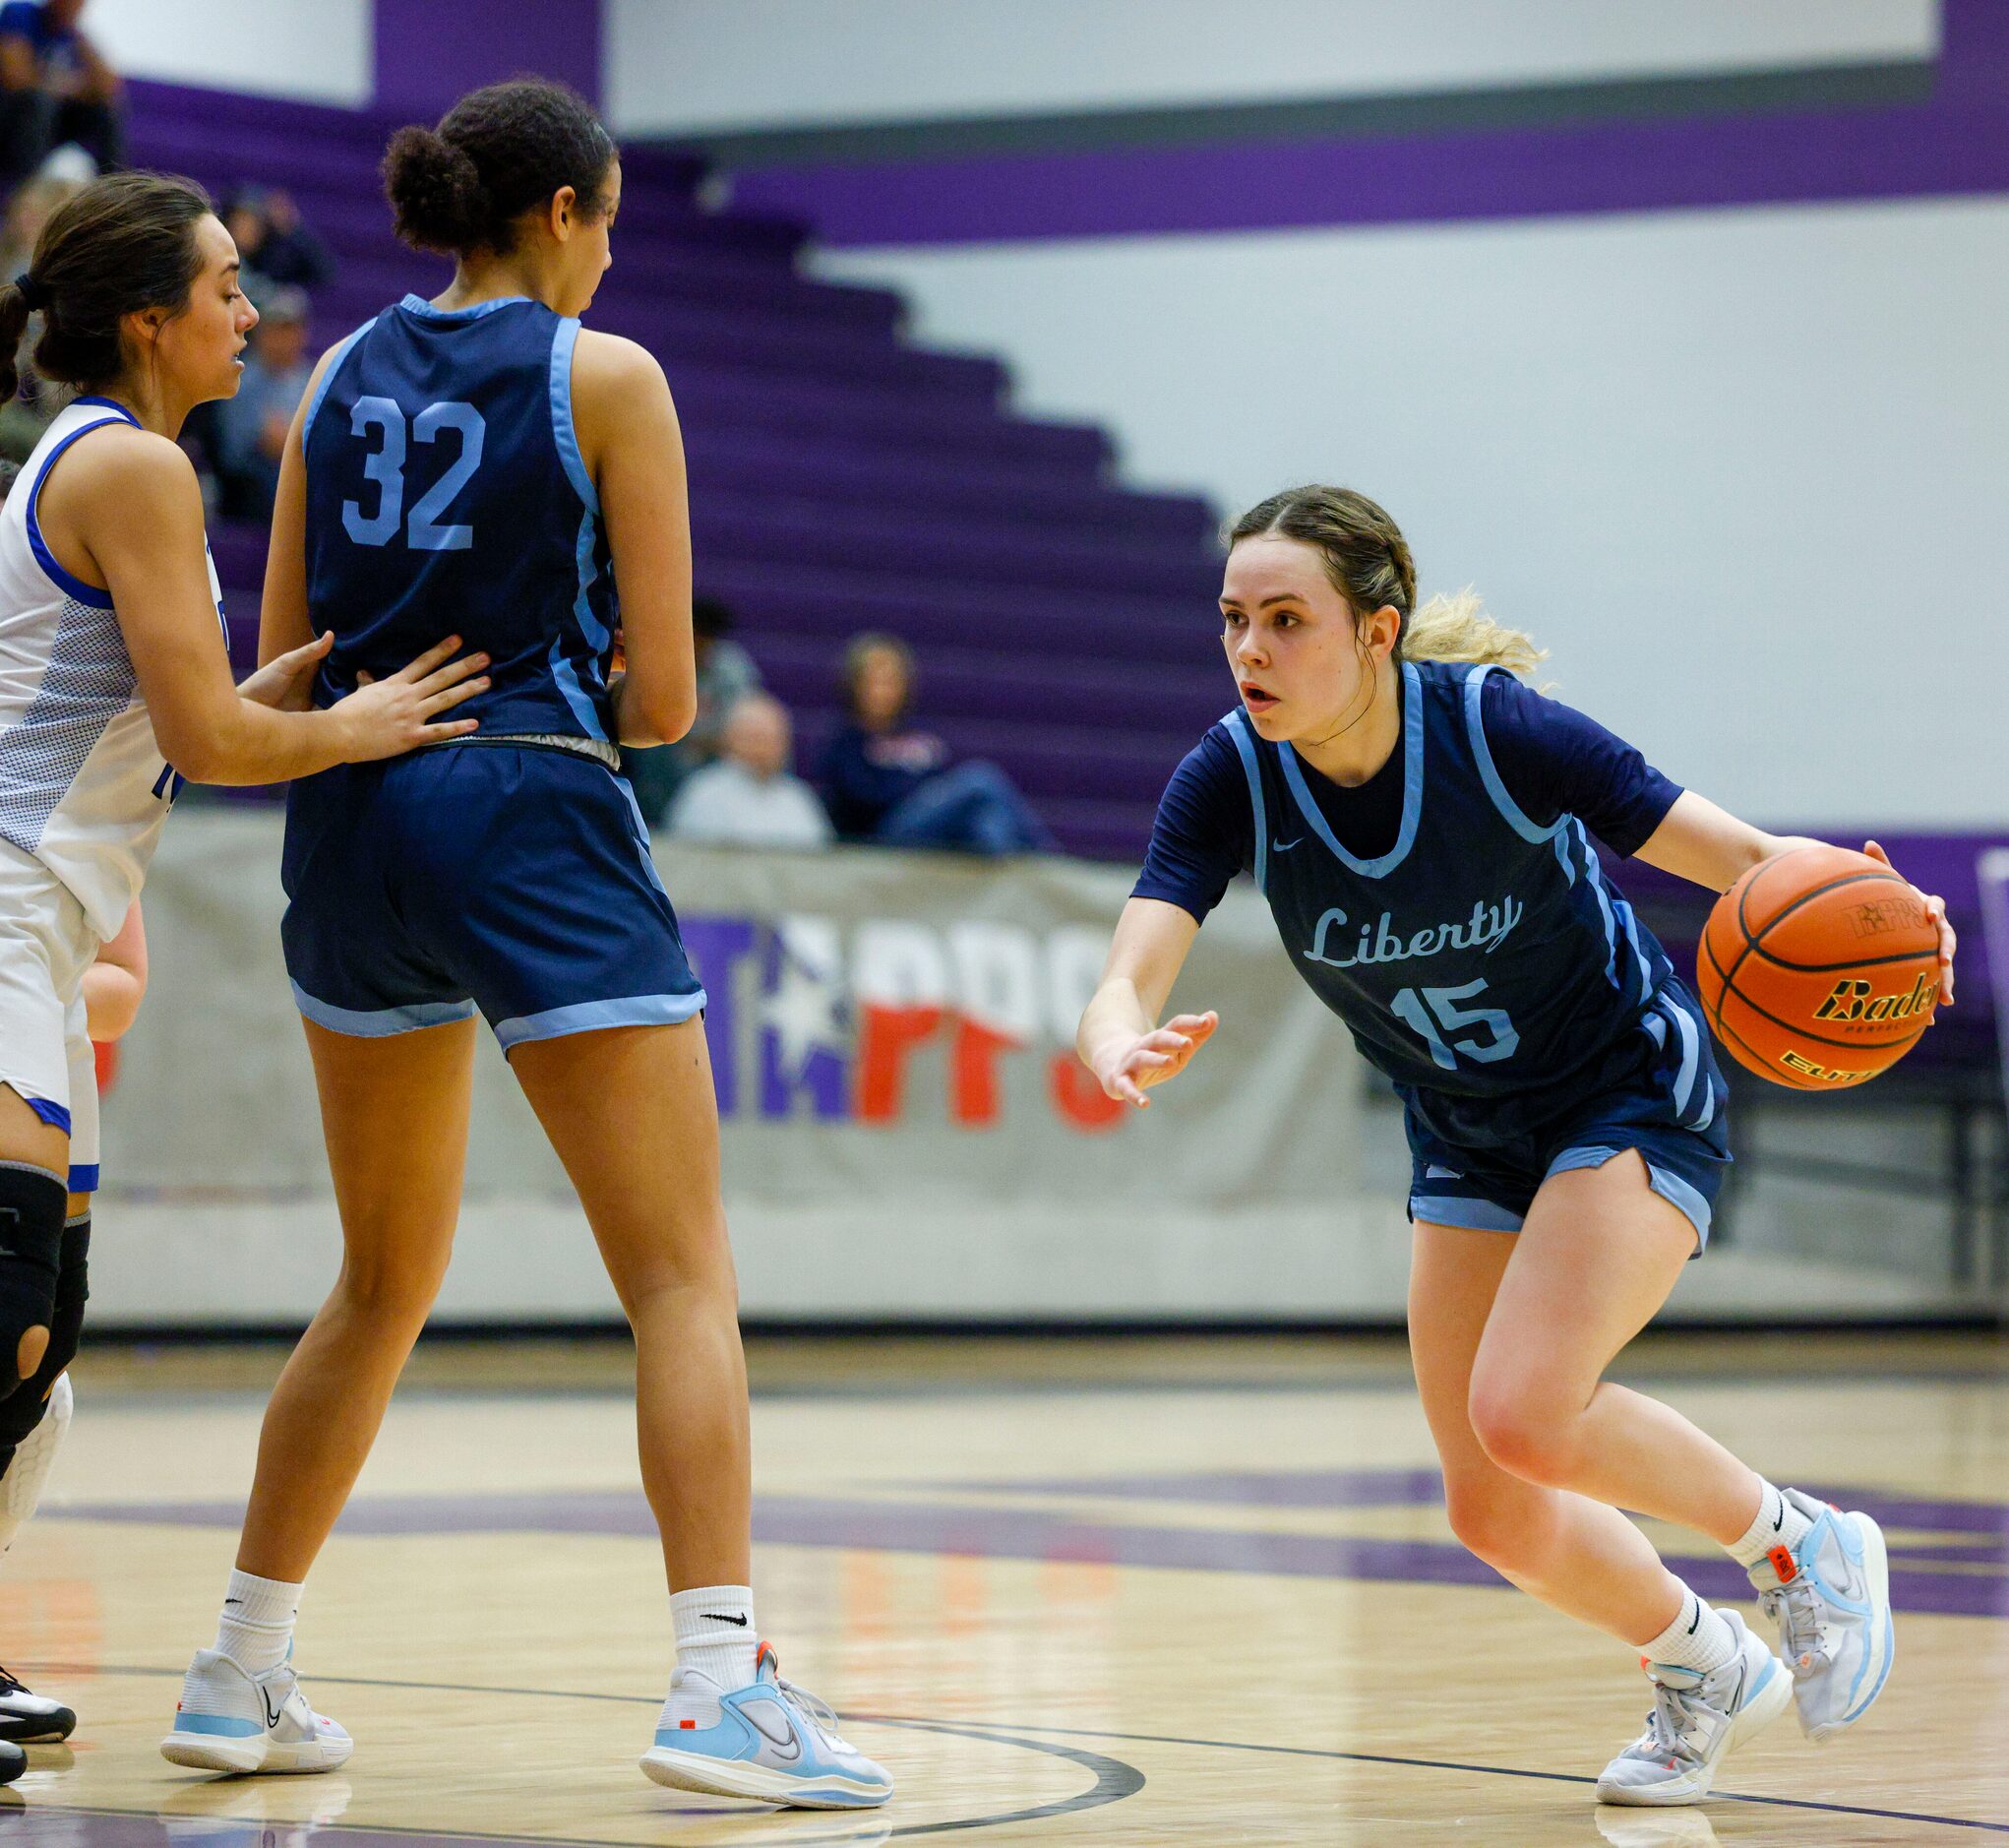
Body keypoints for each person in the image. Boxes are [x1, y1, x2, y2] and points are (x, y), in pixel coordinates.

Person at [157, 80, 891, 1811]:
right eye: (614, 220)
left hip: (350, 816)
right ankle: (719, 1681)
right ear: (563, 214)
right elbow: (668, 695)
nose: (615, 248)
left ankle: (235, 1666)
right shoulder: (606, 371)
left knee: (380, 1279)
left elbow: (286, 652)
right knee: (678, 1276)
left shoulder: (330, 373)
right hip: (530, 805)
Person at [1075, 485, 1957, 1809]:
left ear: (1377, 633)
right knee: (1487, 1504)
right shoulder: (1229, 775)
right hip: (1467, 1131)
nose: (1249, 649)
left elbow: (1741, 858)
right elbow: (1133, 959)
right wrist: (1108, 1036)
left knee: (1525, 1408)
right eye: (1231, 621)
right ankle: (1700, 1662)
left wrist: (1888, 914)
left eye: (1283, 619)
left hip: (1619, 1087)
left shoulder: (1492, 732)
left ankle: (1801, 1546)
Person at [0, 168, 489, 1768]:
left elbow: (167, 713)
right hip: (3, 913)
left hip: (44, 935)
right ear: (148, 320)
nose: (249, 309)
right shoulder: (131, 463)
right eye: (219, 285)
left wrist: (276, 688)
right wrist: (343, 726)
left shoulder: (117, 461)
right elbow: (210, 739)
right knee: (6, 1306)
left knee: (38, 1325)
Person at [819, 632, 1054, 855]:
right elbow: (864, 800)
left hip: (930, 836)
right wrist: (919, 790)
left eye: (891, 681)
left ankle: (1014, 882)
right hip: (883, 840)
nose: (883, 691)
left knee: (986, 823)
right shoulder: (845, 744)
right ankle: (1051, 863)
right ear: (853, 685)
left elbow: (941, 788)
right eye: (874, 681)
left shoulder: (920, 738)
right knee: (981, 779)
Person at [622, 593, 759, 826]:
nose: (701, 646)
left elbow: (745, 722)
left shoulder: (732, 669)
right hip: (666, 749)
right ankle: (649, 819)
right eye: (696, 637)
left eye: (707, 640)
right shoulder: (663, 660)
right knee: (650, 749)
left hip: (714, 755)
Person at [669, 692, 830, 850]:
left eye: (773, 739)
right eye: (755, 738)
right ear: (729, 739)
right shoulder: (704, 793)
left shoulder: (798, 797)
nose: (764, 749)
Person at [0, 0, 121, 190]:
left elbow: (109, 87)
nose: (74, 6)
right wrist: (69, 86)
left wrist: (79, 37)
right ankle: (25, 190)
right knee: (38, 101)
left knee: (106, 110)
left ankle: (115, 191)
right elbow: (17, 78)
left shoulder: (73, 36)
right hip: (12, 117)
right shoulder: (19, 14)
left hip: (50, 122)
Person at [213, 283, 312, 518]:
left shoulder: (313, 380)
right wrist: (269, 440)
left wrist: (288, 442)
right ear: (261, 333)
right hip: (250, 487)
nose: (282, 339)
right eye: (275, 329)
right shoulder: (238, 378)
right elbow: (232, 450)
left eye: (289, 330)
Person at [221, 186, 334, 296]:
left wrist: (292, 229)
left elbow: (323, 273)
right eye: (240, 221)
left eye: (253, 224)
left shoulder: (275, 260)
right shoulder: (217, 257)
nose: (246, 229)